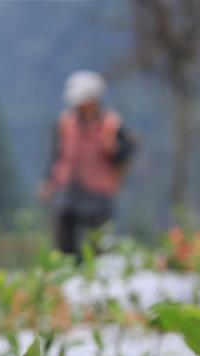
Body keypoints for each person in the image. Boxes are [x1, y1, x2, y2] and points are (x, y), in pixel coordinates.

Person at [38, 70, 135, 258]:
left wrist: (115, 149)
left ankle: (96, 274)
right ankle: (67, 271)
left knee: (98, 240)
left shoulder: (111, 124)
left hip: (98, 190)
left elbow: (126, 152)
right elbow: (56, 153)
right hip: (68, 187)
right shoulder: (66, 122)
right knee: (63, 234)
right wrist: (47, 179)